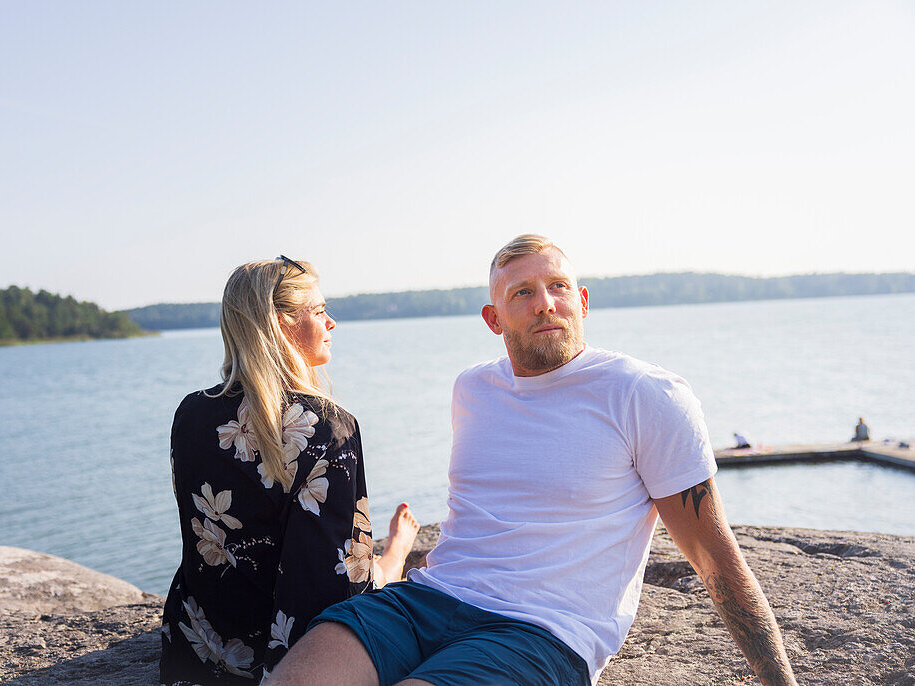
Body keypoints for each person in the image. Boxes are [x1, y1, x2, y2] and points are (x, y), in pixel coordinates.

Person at [268, 235, 798, 686]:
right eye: (523, 292)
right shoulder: (473, 389)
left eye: (558, 287)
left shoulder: (645, 394)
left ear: (583, 302)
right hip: (428, 600)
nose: (545, 302)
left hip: (544, 629)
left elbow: (715, 557)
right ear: (493, 319)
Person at [160, 256, 420, 685]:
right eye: (319, 311)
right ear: (282, 325)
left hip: (197, 652)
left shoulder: (190, 414)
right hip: (295, 667)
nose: (331, 323)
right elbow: (339, 589)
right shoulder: (327, 428)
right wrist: (392, 560)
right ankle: (393, 554)